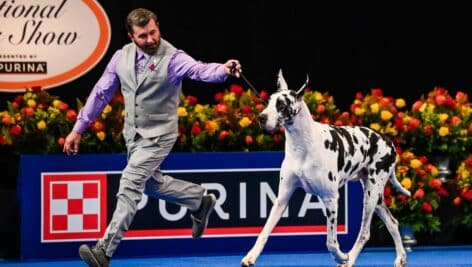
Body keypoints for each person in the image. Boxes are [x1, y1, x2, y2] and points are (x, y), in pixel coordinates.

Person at [63, 8, 242, 267]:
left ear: (158, 27)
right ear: (131, 37)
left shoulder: (173, 58)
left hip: (160, 136)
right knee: (149, 184)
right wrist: (78, 128)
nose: (150, 39)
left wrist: (224, 70)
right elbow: (101, 93)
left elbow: (200, 70)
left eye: (153, 32)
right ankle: (199, 200)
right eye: (143, 36)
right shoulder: (120, 57)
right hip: (133, 136)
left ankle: (104, 251)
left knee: (130, 181)